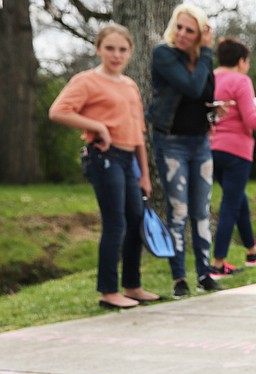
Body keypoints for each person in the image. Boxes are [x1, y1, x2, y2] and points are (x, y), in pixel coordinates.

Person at [49, 24, 160, 310]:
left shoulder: (131, 85)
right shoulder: (85, 81)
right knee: (116, 223)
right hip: (103, 157)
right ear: (98, 48)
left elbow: (138, 133)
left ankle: (133, 286)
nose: (116, 54)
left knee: (136, 221)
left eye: (122, 49)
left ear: (130, 53)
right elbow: (58, 111)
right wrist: (97, 125)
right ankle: (108, 291)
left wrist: (145, 174)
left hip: (128, 161)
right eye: (110, 48)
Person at [147, 3, 221, 299]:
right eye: (179, 27)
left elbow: (205, 94)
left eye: (189, 30)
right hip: (172, 142)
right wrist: (205, 51)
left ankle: (204, 274)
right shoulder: (163, 54)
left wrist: (215, 113)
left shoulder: (202, 60)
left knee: (201, 211)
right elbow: (191, 87)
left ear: (199, 33)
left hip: (200, 143)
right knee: (178, 211)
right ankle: (179, 278)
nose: (181, 34)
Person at [208, 37, 256, 280]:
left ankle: (252, 251)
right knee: (231, 203)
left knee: (239, 198)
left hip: (211, 148)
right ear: (241, 61)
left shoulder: (210, 77)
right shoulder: (241, 80)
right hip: (236, 151)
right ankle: (218, 263)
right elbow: (250, 119)